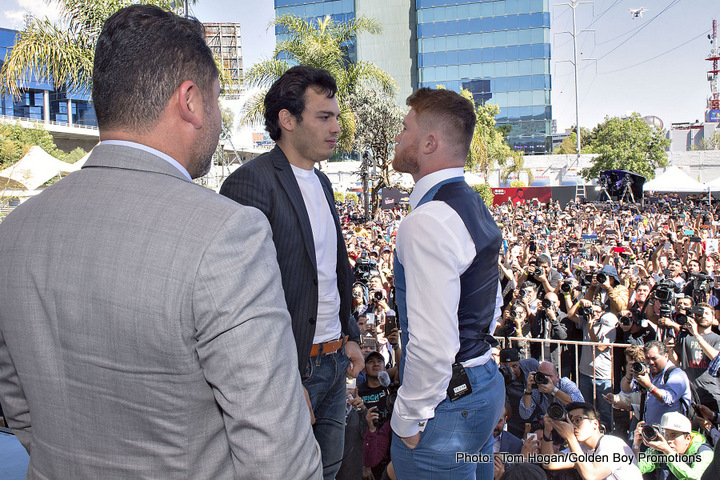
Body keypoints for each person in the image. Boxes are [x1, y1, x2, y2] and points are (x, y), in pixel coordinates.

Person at [0, 5, 321, 479]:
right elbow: (277, 453)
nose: (216, 120)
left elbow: (18, 404)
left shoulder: (15, 231)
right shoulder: (227, 234)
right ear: (190, 101)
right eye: (214, 100)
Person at [220, 65, 362, 480]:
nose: (336, 127)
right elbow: (242, 301)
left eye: (336, 116)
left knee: (330, 471)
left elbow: (329, 274)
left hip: (334, 364)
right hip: (292, 371)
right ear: (287, 119)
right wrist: (281, 378)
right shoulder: (250, 184)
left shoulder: (323, 184)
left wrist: (347, 335)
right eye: (324, 117)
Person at [389, 88, 504, 479]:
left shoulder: (429, 219)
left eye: (406, 129)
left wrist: (406, 420)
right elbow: (493, 299)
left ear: (429, 142)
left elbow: (432, 344)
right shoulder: (472, 203)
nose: (399, 137)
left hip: (446, 406)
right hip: (481, 384)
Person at [542, 402, 642, 480]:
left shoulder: (612, 444)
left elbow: (592, 476)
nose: (573, 427)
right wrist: (547, 431)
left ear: (595, 424)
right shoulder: (581, 448)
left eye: (578, 420)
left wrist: (570, 437)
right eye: (570, 422)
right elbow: (549, 463)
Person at [633, 412, 713, 480]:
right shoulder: (662, 449)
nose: (668, 440)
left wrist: (668, 453)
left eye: (674, 435)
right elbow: (637, 468)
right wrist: (636, 446)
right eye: (665, 434)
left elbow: (694, 477)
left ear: (688, 438)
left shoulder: (704, 453)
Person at [519, 362, 584, 421]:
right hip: (551, 425)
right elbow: (525, 415)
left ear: (557, 377)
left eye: (549, 376)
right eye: (542, 375)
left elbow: (580, 405)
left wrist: (554, 391)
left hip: (572, 423)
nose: (545, 379)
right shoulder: (536, 389)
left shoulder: (565, 383)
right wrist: (528, 390)